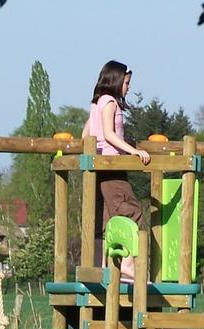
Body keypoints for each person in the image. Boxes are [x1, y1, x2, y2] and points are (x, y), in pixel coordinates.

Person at [82, 59, 151, 279]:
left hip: (100, 167)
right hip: (112, 166)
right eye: (126, 82)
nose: (128, 87)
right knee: (131, 211)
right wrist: (133, 151)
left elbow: (86, 136)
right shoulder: (110, 101)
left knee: (103, 217)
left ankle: (98, 266)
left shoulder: (96, 103)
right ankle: (129, 270)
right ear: (116, 81)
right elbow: (110, 134)